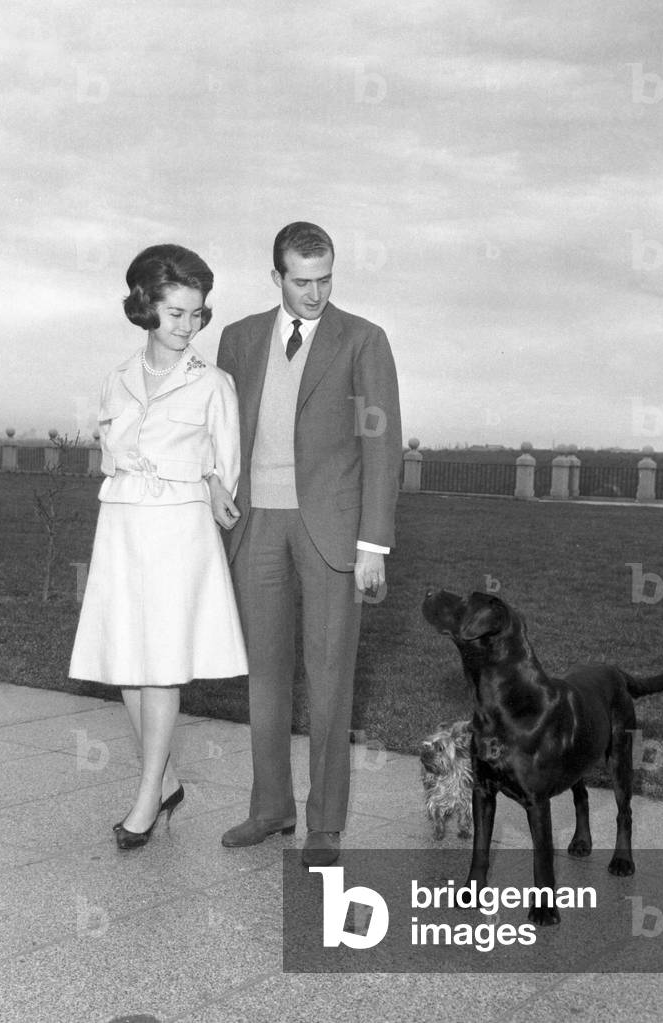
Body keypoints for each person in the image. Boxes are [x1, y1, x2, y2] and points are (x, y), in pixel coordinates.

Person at [211, 222, 402, 867]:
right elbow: (220, 429)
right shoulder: (236, 339)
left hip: (333, 533)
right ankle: (270, 808)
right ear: (276, 277)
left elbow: (383, 445)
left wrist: (373, 543)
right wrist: (215, 485)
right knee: (264, 678)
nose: (315, 293)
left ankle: (325, 822)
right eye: (302, 281)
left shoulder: (364, 341)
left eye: (325, 280)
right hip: (256, 525)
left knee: (329, 679)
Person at [69, 243, 247, 850]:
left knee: (163, 663)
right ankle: (165, 775)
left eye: (197, 315)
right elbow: (108, 454)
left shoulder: (214, 385)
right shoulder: (116, 380)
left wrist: (214, 483)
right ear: (146, 306)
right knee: (126, 656)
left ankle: (147, 796)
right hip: (122, 524)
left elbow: (225, 468)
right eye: (176, 313)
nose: (188, 326)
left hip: (178, 531)